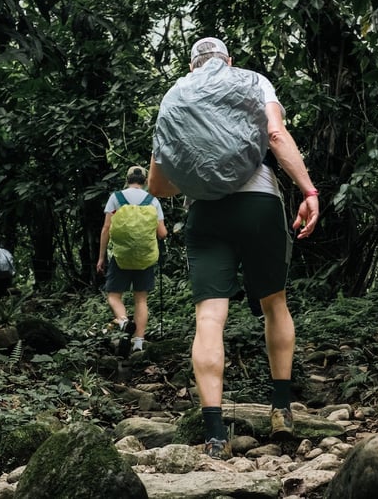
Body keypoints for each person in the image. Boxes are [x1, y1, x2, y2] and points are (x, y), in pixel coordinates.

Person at [148, 37, 320, 460]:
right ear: (228, 61)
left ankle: (213, 434)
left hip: (206, 214)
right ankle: (281, 410)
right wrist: (308, 190)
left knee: (209, 315)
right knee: (274, 303)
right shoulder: (253, 81)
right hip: (260, 203)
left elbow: (157, 185)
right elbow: (276, 135)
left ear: (192, 66)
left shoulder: (177, 96)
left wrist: (196, 181)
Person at [97, 165, 168, 356]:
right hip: (145, 258)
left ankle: (123, 321)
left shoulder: (116, 198)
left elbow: (106, 229)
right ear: (145, 181)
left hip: (120, 257)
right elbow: (162, 233)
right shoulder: (152, 200)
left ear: (126, 179)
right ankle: (138, 342)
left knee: (113, 296)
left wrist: (101, 257)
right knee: (141, 300)